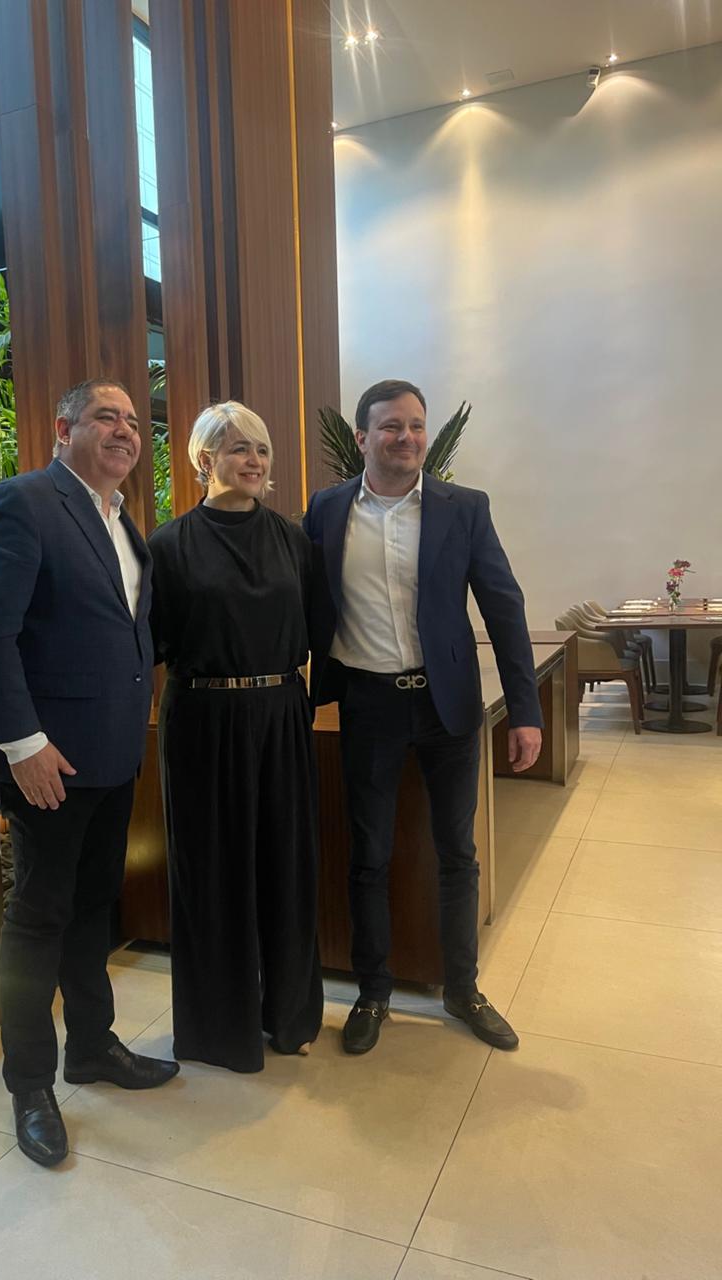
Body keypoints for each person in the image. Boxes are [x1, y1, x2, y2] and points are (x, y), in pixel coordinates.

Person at [0, 378, 178, 1168]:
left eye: (134, 422)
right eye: (106, 417)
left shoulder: (122, 521)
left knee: (92, 908)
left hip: (111, 755)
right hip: (46, 761)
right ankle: (29, 1086)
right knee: (38, 918)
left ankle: (91, 1045)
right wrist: (23, 743)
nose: (125, 430)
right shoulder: (23, 504)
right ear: (62, 428)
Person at [303, 379, 542, 1056]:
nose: (406, 438)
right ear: (361, 438)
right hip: (368, 704)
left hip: (447, 706)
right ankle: (373, 991)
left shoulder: (464, 508)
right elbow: (304, 601)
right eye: (390, 427)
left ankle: (462, 989)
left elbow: (504, 606)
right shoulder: (325, 511)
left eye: (415, 425)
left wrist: (525, 710)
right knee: (369, 856)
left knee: (457, 853)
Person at [149, 401, 324, 1073]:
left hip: (280, 712)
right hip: (201, 719)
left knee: (286, 865)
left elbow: (319, 626)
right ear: (205, 459)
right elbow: (152, 640)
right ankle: (219, 1032)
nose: (254, 461)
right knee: (211, 874)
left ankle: (289, 1015)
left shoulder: (293, 541)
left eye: (262, 449)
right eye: (238, 448)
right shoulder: (168, 545)